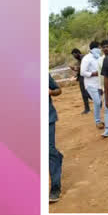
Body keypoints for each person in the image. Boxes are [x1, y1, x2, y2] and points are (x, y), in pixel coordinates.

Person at [80, 41, 108, 135]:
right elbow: (82, 72)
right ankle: (97, 121)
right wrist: (94, 73)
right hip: (90, 84)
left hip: (99, 84)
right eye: (98, 47)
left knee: (103, 102)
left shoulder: (99, 57)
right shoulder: (86, 58)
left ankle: (107, 121)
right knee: (97, 102)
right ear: (94, 48)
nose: (100, 49)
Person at [49, 74, 63, 202]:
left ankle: (55, 188)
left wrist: (51, 92)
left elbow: (58, 90)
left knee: (48, 151)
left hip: (47, 118)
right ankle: (58, 156)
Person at [70, 48, 90, 114]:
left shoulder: (83, 58)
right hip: (82, 78)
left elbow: (83, 68)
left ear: (77, 53)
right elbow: (80, 70)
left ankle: (89, 108)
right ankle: (87, 108)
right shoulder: (79, 59)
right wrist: (76, 74)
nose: (74, 56)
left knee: (87, 92)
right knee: (85, 93)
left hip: (86, 77)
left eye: (74, 54)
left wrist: (75, 68)